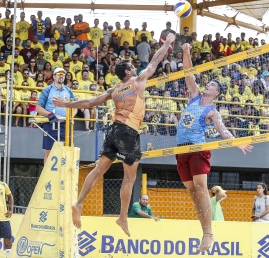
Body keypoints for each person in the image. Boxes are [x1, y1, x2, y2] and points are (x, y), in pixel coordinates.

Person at [52, 33, 176, 237]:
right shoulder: (137, 81)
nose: (135, 68)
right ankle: (122, 217)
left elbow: (89, 103)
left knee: (99, 169)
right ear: (128, 71)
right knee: (129, 179)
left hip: (112, 130)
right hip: (128, 131)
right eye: (132, 67)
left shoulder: (114, 89)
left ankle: (79, 203)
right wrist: (168, 43)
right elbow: (155, 61)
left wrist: (66, 104)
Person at [175, 43, 253, 252]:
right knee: (192, 193)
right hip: (180, 151)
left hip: (197, 149)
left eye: (212, 85)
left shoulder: (213, 111)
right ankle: (205, 231)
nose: (208, 85)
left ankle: (208, 233)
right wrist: (185, 52)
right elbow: (188, 73)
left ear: (217, 93)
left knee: (201, 187)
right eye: (208, 83)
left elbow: (223, 131)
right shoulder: (194, 95)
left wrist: (238, 142)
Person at [36, 68, 75, 164]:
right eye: (59, 74)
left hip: (65, 124)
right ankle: (47, 177)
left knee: (67, 151)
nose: (61, 76)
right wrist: (51, 114)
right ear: (54, 76)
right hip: (51, 123)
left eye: (63, 74)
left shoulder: (68, 90)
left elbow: (75, 106)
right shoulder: (47, 90)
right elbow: (38, 108)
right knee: (49, 151)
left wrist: (70, 116)